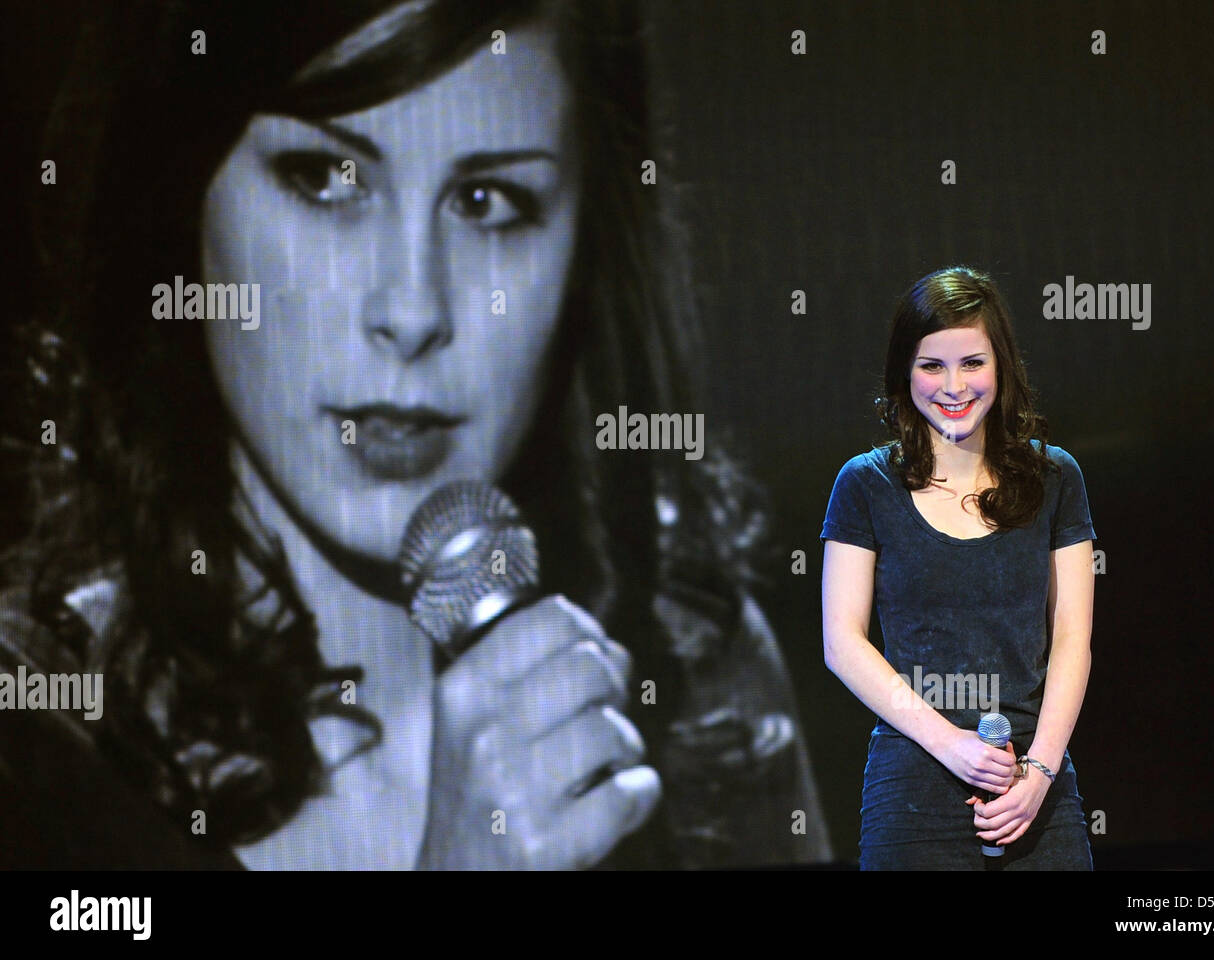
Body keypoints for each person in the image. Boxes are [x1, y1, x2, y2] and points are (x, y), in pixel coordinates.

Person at [0, 0, 829, 869]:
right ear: (183, 195)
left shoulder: (693, 670)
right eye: (325, 177)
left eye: (487, 201)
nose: (412, 309)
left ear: (585, 240)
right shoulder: (36, 745)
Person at [820, 265, 1095, 870]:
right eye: (932, 365)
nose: (954, 386)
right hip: (914, 786)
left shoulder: (1056, 479)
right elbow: (842, 642)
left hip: (1034, 783)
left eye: (972, 363)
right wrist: (951, 745)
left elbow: (1073, 637)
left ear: (1001, 366)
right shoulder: (865, 484)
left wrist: (1041, 772)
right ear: (904, 373)